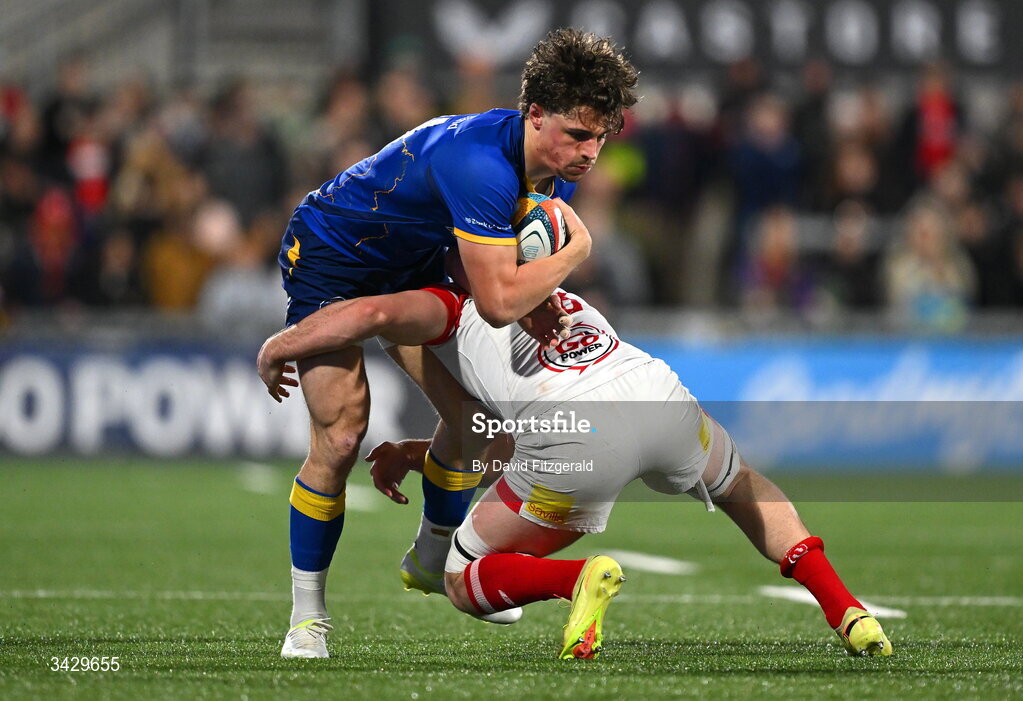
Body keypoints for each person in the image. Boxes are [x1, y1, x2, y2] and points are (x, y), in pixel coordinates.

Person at [258, 281, 894, 660]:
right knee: (741, 484)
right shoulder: (549, 284)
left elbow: (370, 317)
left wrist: (282, 343)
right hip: (655, 391)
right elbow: (504, 432)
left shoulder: (441, 300)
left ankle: (576, 581)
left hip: (575, 435)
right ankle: (846, 609)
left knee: (459, 573)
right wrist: (426, 449)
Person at [270, 28, 639, 658]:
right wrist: (574, 253)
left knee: (483, 427)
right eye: (578, 134)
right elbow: (496, 304)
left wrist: (534, 306)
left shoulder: (549, 172)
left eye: (601, 136)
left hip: (416, 262)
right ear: (535, 115)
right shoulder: (480, 165)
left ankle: (430, 560)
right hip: (334, 258)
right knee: (339, 435)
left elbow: (478, 268)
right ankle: (308, 619)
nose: (590, 152)